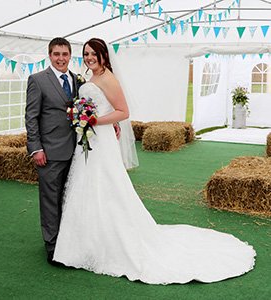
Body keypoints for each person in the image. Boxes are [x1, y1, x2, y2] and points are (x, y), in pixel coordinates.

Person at [53, 38, 256, 284]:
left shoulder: (108, 78)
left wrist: (95, 121)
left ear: (104, 55)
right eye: (86, 54)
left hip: (101, 139)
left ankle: (111, 241)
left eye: (94, 53)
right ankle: (82, 245)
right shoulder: (88, 80)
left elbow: (123, 112)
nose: (89, 57)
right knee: (85, 187)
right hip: (88, 140)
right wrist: (85, 119)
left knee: (107, 187)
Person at [25, 37, 79, 266]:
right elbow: (31, 117)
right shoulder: (37, 80)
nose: (61, 58)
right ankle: (53, 247)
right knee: (50, 201)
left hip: (75, 151)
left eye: (64, 54)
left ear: (70, 56)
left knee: (69, 199)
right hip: (49, 152)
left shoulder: (77, 79)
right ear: (49, 55)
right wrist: (35, 148)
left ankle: (69, 241)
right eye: (56, 54)